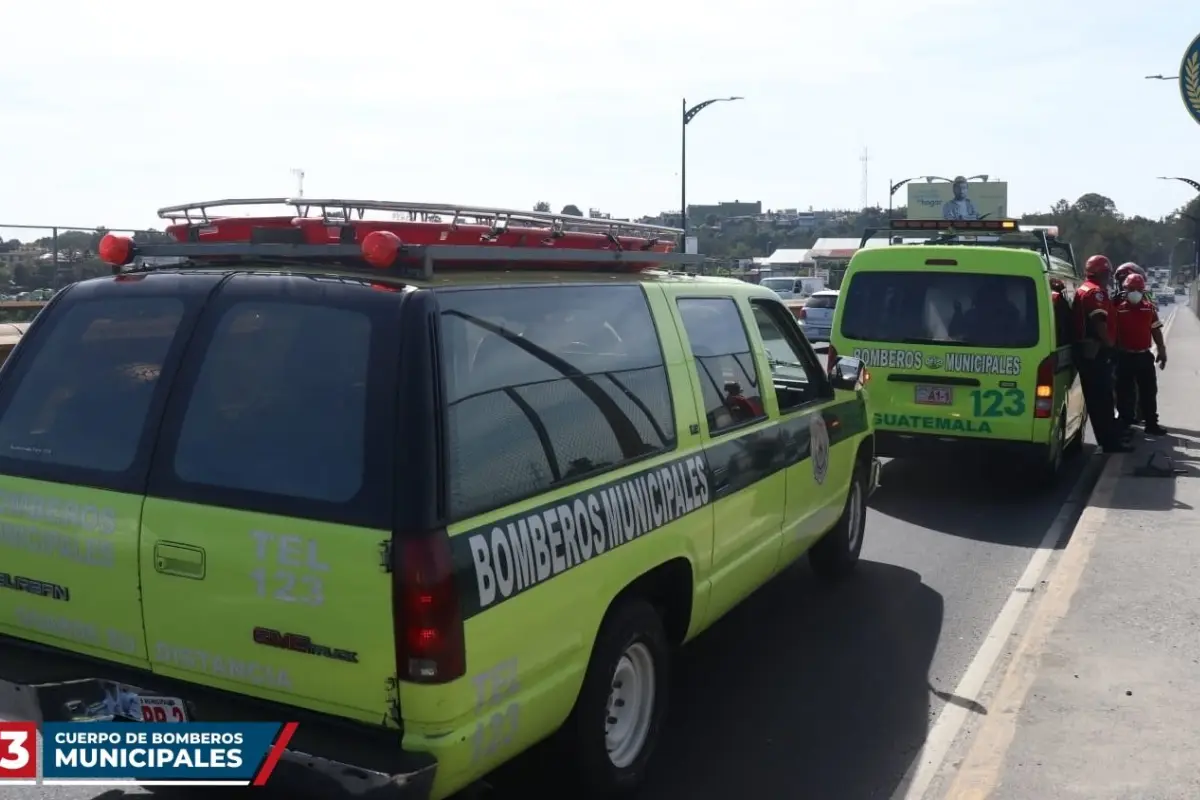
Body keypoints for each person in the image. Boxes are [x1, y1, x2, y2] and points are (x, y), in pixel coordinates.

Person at [1073, 254, 1132, 453]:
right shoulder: (1096, 293)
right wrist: (1110, 346)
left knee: (1101, 400)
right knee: (1103, 400)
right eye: (1107, 273)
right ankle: (1110, 442)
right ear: (1103, 273)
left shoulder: (1085, 289)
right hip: (1096, 354)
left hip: (1090, 354)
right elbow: (1099, 323)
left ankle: (1109, 437)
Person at [1114, 273, 1168, 436]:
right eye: (1132, 289)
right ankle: (1125, 423)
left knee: (1149, 392)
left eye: (1138, 289)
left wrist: (1162, 349)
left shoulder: (1149, 308)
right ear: (1125, 290)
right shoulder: (1117, 309)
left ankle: (1151, 423)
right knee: (1124, 392)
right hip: (1124, 357)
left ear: (1143, 291)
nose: (1135, 293)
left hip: (1144, 356)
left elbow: (1156, 328)